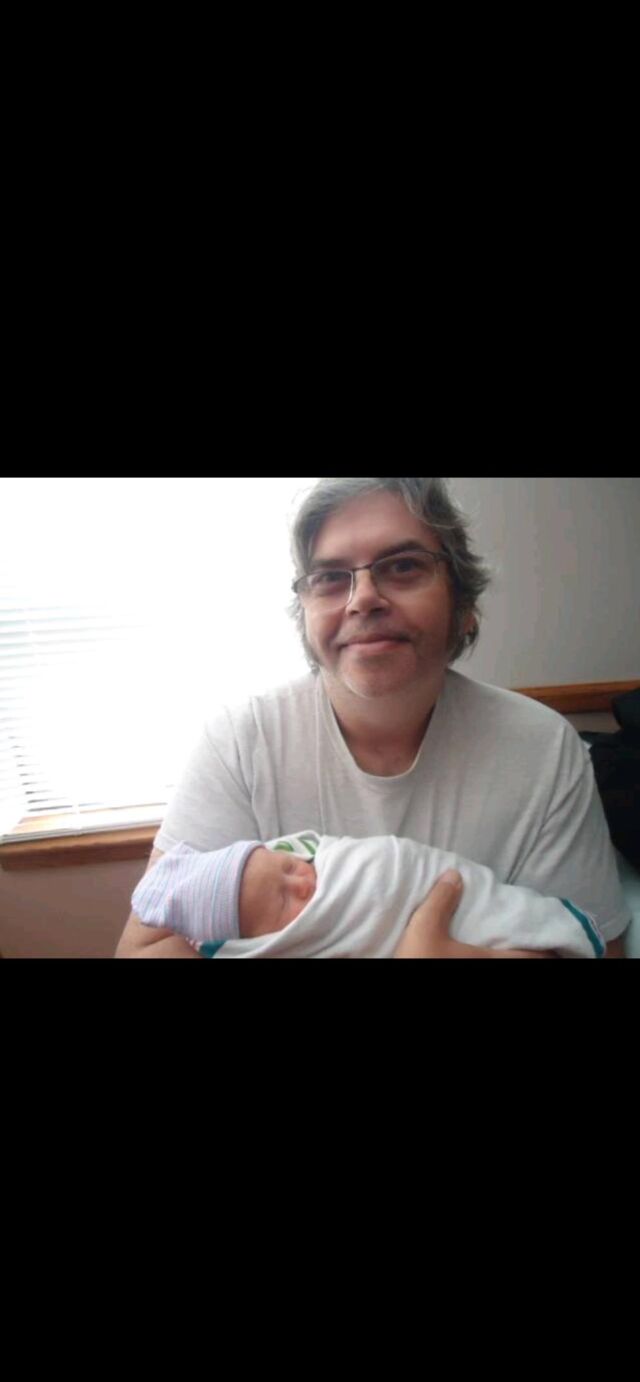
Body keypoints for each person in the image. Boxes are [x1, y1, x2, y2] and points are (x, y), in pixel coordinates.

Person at [116, 477, 630, 959]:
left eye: (403, 566)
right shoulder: (239, 744)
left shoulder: (542, 749)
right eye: (330, 578)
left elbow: (599, 943)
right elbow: (143, 947)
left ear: (462, 603)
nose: (363, 599)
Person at [129, 830, 607, 959]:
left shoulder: (317, 853)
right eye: (283, 902)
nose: (303, 883)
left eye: (289, 868)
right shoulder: (232, 741)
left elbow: (392, 869)